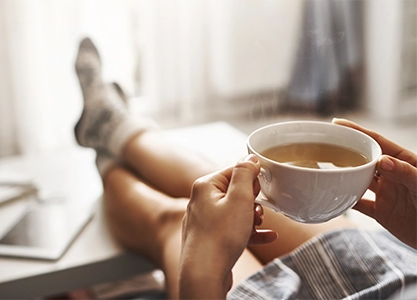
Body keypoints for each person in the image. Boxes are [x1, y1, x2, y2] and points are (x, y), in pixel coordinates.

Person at [73, 37, 417, 300]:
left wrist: (202, 277)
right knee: (223, 187)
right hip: (398, 276)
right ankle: (111, 126)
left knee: (180, 222)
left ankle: (108, 156)